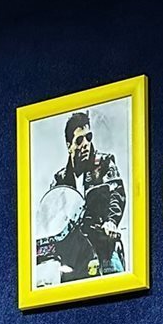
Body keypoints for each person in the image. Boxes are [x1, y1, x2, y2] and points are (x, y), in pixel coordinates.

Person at [54, 110, 126, 273]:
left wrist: (111, 221)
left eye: (89, 137)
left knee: (116, 276)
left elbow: (117, 192)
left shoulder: (104, 163)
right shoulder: (60, 179)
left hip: (103, 246)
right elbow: (51, 212)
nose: (85, 143)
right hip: (74, 255)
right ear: (69, 146)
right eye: (79, 140)